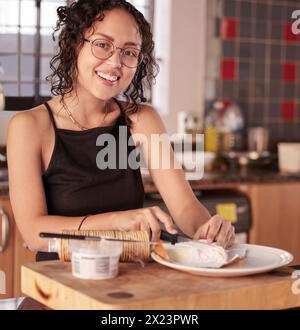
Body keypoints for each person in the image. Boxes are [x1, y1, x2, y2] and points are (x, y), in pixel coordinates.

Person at [7, 0, 235, 261]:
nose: (116, 62)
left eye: (129, 52)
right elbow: (35, 234)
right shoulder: (29, 127)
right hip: (61, 288)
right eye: (103, 45)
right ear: (73, 45)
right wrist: (118, 221)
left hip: (129, 281)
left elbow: (184, 205)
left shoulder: (142, 120)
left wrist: (208, 231)